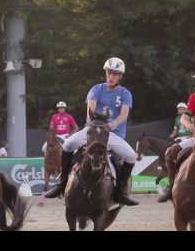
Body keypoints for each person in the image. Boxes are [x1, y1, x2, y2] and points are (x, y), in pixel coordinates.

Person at [45, 57, 139, 206]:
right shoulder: (96, 89)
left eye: (115, 74)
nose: (111, 76)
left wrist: (112, 125)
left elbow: (124, 115)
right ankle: (61, 185)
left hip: (112, 133)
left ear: (120, 76)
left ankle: (120, 192)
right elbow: (90, 111)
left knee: (131, 156)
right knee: (68, 145)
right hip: (93, 130)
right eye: (109, 73)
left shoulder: (126, 94)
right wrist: (96, 124)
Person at [158, 72, 195, 203]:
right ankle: (171, 188)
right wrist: (190, 126)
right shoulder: (194, 98)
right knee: (170, 153)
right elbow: (184, 117)